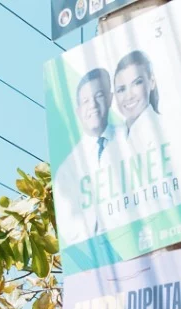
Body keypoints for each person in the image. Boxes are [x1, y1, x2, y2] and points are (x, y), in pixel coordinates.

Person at [56, 68, 114, 246]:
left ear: (110, 98)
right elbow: (70, 231)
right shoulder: (67, 169)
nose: (93, 106)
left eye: (99, 96)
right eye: (86, 101)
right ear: (79, 110)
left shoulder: (131, 139)